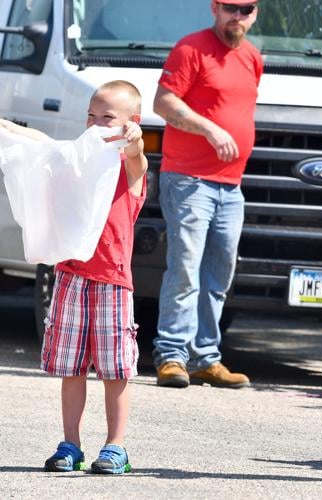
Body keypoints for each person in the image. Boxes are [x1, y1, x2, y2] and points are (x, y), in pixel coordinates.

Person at [2, 80, 147, 474]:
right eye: (91, 116)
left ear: (130, 122)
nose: (97, 124)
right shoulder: (78, 162)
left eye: (108, 118)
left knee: (115, 371)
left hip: (113, 283)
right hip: (71, 277)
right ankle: (71, 445)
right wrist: (8, 129)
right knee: (71, 367)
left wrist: (133, 138)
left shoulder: (126, 171)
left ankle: (116, 446)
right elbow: (42, 144)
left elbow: (138, 155)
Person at [151, 1, 262, 389]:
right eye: (230, 7)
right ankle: (171, 355)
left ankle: (205, 357)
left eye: (246, 9)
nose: (238, 15)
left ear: (255, 12)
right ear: (215, 8)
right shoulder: (191, 48)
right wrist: (210, 130)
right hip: (188, 178)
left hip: (231, 185)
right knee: (185, 269)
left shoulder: (251, 57)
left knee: (218, 274)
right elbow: (163, 102)